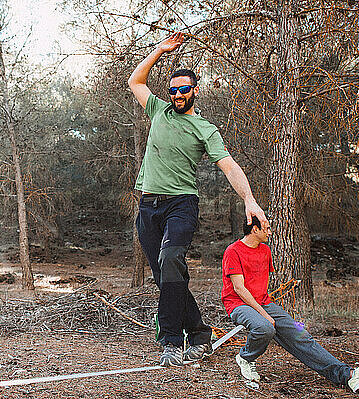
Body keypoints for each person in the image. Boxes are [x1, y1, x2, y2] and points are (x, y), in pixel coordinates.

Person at [128, 32, 268, 367]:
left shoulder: (205, 129)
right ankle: (200, 333)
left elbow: (229, 166)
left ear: (195, 91)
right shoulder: (158, 111)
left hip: (181, 204)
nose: (177, 94)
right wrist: (160, 50)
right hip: (148, 205)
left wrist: (249, 199)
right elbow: (135, 80)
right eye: (173, 89)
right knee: (167, 275)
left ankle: (172, 341)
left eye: (183, 89)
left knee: (171, 258)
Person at [221, 216, 359, 393]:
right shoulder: (233, 251)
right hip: (238, 304)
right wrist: (265, 314)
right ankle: (246, 357)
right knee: (265, 327)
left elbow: (260, 284)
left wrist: (271, 310)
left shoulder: (265, 250)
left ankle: (349, 376)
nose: (270, 232)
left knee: (301, 334)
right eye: (266, 229)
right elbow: (239, 289)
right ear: (255, 230)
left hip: (263, 303)